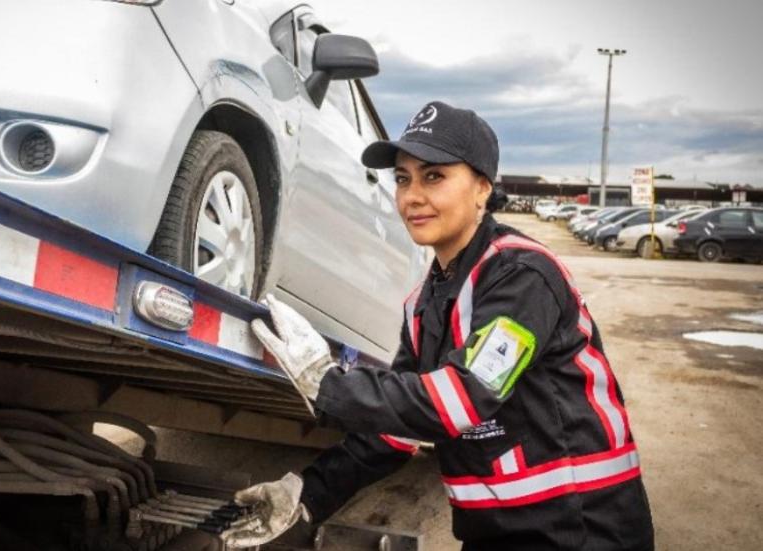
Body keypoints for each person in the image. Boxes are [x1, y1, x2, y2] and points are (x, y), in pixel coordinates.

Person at [220, 101, 654, 550]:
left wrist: (326, 382)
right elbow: (395, 430)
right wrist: (307, 493)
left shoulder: (523, 276)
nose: (412, 196)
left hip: (582, 528)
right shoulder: (424, 304)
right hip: (496, 534)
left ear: (482, 188)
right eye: (403, 178)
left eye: (434, 176)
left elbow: (466, 396)